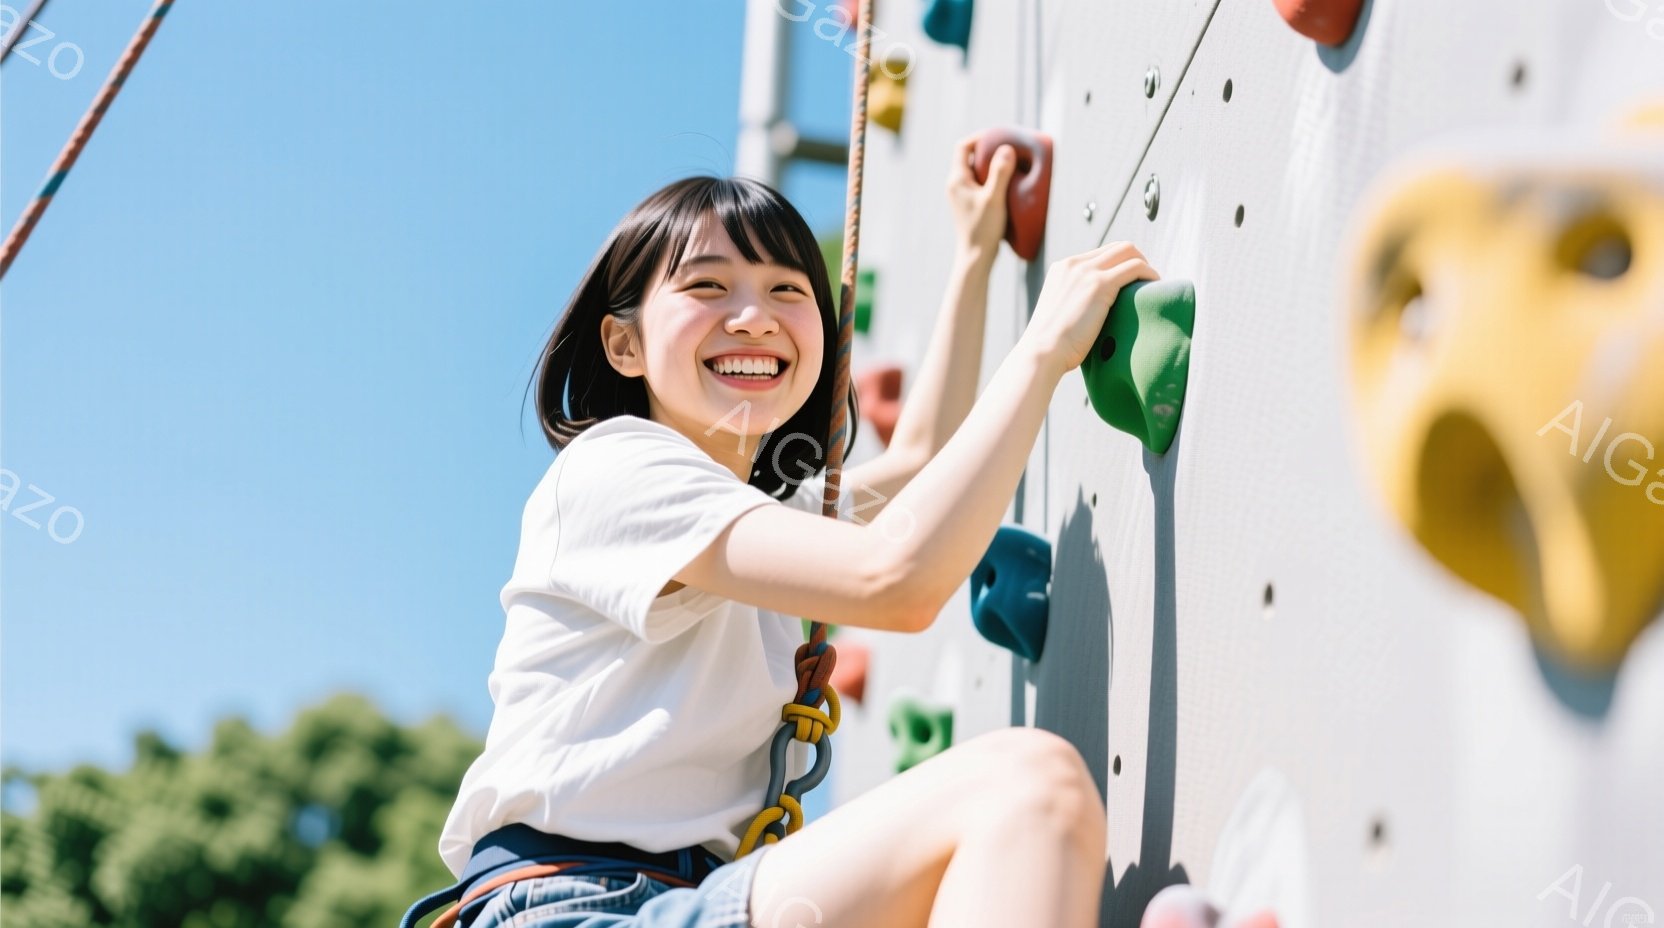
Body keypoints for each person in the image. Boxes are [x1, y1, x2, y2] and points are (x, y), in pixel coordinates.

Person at [405, 136, 1159, 928]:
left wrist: (974, 254)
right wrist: (1044, 348)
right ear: (624, 344)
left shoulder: (754, 524)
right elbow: (895, 577)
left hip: (668, 902)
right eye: (707, 287)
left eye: (786, 290)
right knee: (1025, 785)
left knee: (1012, 812)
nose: (754, 318)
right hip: (572, 905)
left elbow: (921, 462)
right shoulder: (618, 468)